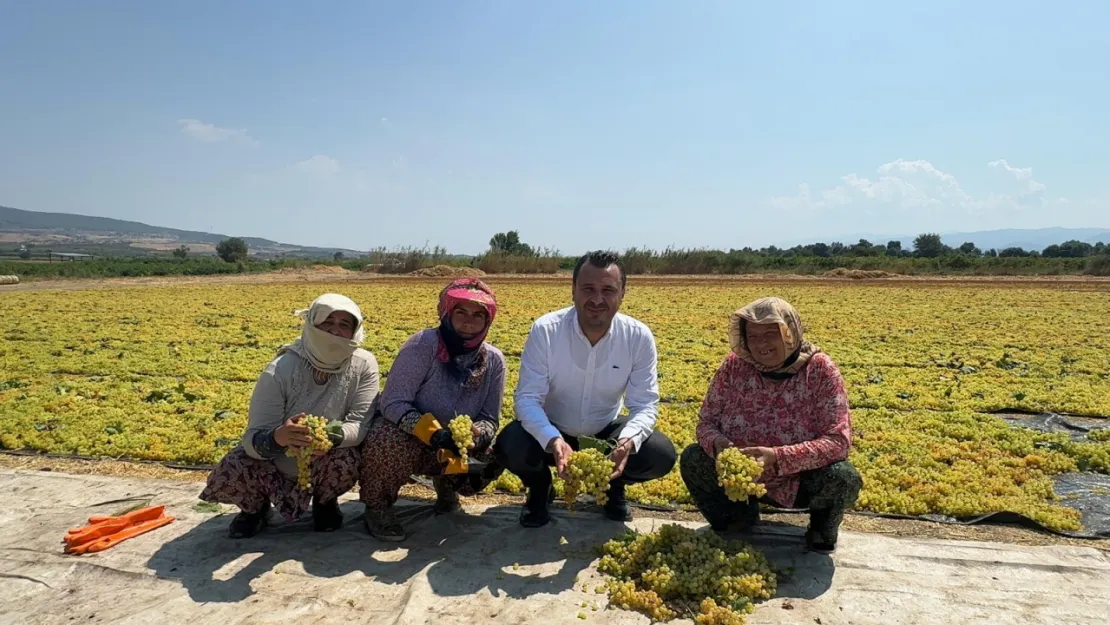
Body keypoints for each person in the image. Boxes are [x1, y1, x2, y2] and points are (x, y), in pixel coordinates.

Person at [495, 250, 677, 528]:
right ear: (573, 290)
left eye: (608, 290)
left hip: (606, 433)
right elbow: (528, 399)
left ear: (622, 294)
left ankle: (613, 486)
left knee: (659, 453)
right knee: (511, 444)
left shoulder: (638, 337)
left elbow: (645, 404)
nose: (597, 300)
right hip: (553, 429)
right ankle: (541, 488)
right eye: (588, 289)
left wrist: (625, 443)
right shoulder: (546, 330)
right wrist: (553, 440)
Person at [679, 296, 862, 554]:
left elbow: (838, 441)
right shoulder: (734, 366)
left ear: (790, 332)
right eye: (752, 337)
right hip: (740, 479)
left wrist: (777, 457)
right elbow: (706, 422)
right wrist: (719, 445)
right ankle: (737, 517)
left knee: (843, 477)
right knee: (693, 458)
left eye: (769, 333)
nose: (760, 344)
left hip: (800, 480)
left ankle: (822, 526)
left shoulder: (820, 370)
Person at [199, 293, 380, 538]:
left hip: (324, 457)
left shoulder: (364, 364)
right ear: (312, 324)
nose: (334, 331)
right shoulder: (281, 369)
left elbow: (359, 425)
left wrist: (330, 437)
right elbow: (253, 439)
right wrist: (279, 437)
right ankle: (255, 510)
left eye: (344, 324)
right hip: (275, 460)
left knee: (349, 457)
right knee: (237, 464)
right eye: (327, 322)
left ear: (354, 331)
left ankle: (325, 503)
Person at [359, 278, 506, 542]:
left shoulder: (494, 360)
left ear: (488, 320)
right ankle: (378, 507)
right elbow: (392, 402)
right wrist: (434, 434)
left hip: (457, 447)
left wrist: (478, 434)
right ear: (447, 313)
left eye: (478, 315)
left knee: (502, 451)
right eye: (460, 311)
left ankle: (447, 487)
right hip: (411, 438)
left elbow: (489, 418)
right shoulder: (422, 345)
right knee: (384, 439)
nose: (468, 321)